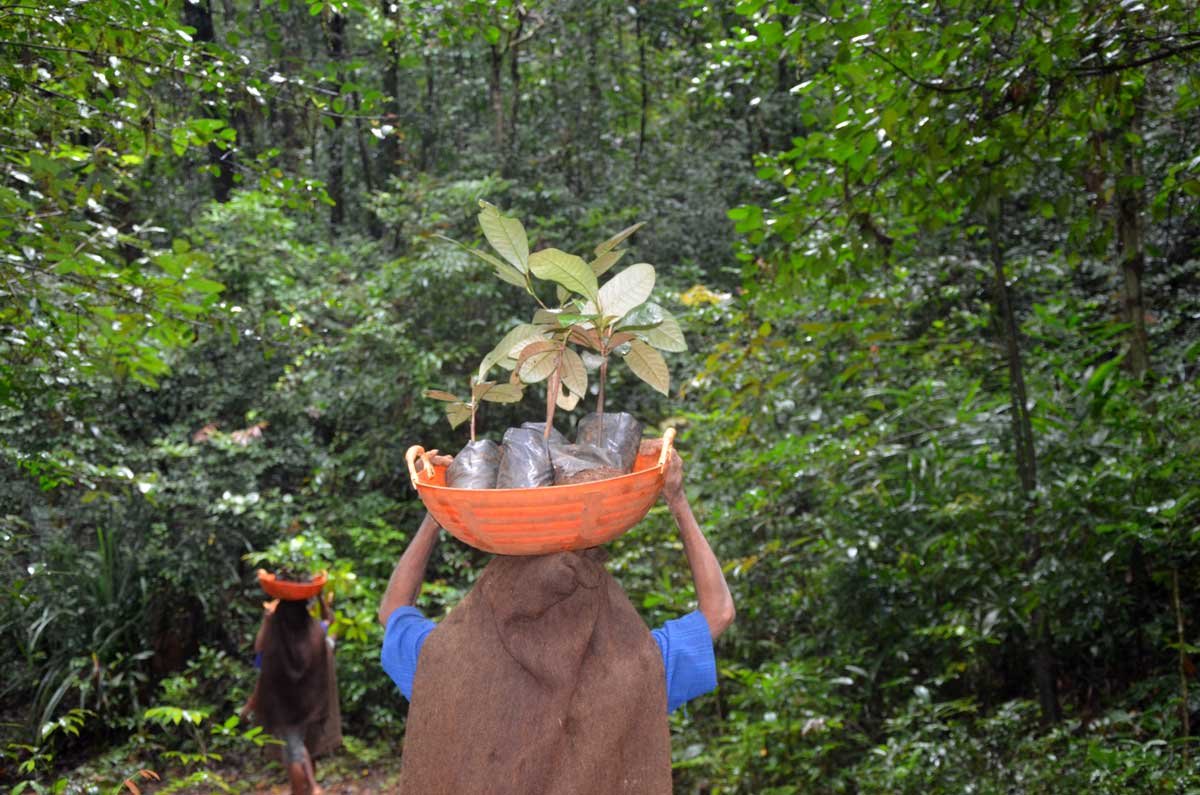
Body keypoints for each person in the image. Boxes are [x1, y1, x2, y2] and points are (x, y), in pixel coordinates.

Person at [378, 442, 734, 793]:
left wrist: (435, 515)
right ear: (600, 600)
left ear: (493, 588)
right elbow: (717, 613)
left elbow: (393, 610)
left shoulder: (447, 662)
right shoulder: (635, 667)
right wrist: (678, 501)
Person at [244, 590, 342, 795]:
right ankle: (310, 787)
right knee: (301, 747)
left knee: (294, 752)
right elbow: (329, 621)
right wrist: (321, 599)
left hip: (285, 705)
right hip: (310, 702)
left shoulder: (275, 641)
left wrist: (267, 620)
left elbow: (259, 648)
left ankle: (306, 789)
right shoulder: (314, 633)